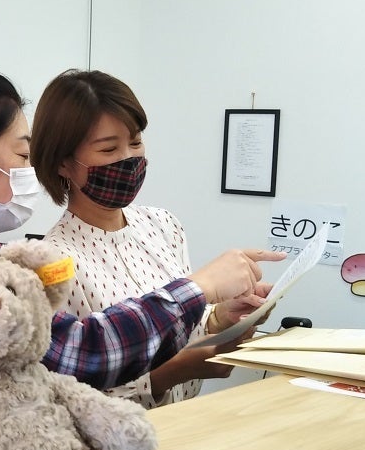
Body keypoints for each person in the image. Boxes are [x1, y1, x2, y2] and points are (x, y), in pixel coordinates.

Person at [0, 66, 281, 428]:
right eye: (22, 155)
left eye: (135, 142)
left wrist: (214, 317)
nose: (28, 171)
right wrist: (199, 287)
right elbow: (83, 353)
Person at [30, 69, 278, 408]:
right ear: (62, 163)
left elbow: (185, 325)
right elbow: (67, 391)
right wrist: (168, 374)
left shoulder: (163, 225)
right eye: (108, 149)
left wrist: (221, 318)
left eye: (135, 142)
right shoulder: (51, 263)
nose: (128, 158)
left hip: (184, 424)